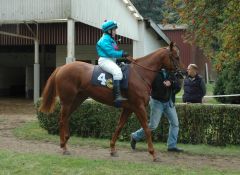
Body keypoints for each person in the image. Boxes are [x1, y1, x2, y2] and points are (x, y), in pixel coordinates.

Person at [130, 69, 183, 152]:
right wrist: (166, 85)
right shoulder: (154, 73)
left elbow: (178, 85)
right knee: (153, 125)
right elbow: (155, 88)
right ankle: (135, 136)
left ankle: (171, 146)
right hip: (157, 102)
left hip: (169, 102)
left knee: (175, 123)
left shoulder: (171, 72)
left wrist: (171, 83)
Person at [96, 20, 129, 103]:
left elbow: (113, 55)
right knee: (117, 72)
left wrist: (124, 58)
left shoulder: (110, 39)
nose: (115, 32)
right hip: (105, 60)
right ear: (109, 31)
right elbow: (111, 52)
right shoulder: (104, 39)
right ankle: (117, 97)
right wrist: (122, 53)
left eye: (115, 30)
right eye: (114, 30)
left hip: (111, 60)